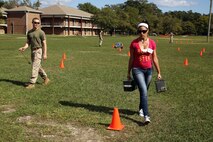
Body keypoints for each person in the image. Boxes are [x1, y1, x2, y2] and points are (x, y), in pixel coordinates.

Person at [127, 21, 162, 124]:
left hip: (149, 70)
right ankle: (146, 116)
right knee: (144, 91)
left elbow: (155, 58)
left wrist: (159, 72)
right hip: (137, 69)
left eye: (144, 31)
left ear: (148, 31)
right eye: (139, 31)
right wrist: (128, 72)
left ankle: (141, 108)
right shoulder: (134, 43)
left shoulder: (152, 43)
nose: (141, 33)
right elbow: (131, 58)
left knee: (144, 90)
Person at [19, 17, 50, 89]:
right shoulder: (29, 32)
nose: (36, 24)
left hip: (38, 50)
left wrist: (45, 54)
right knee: (37, 66)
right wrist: (24, 47)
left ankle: (32, 83)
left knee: (35, 66)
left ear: (39, 24)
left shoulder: (41, 32)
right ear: (32, 23)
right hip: (32, 51)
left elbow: (44, 43)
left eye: (38, 23)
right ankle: (46, 78)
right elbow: (28, 42)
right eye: (35, 22)